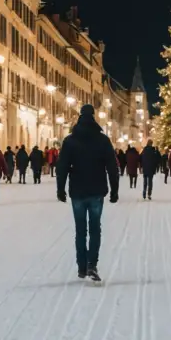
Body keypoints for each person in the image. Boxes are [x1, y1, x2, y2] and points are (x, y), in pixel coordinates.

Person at [56, 104, 119, 282]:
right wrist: (114, 190)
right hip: (97, 190)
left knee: (80, 230)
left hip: (77, 190)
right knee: (95, 229)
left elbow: (62, 167)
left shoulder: (70, 141)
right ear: (94, 117)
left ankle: (81, 267)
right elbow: (112, 167)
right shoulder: (103, 140)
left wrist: (60, 188)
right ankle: (92, 264)